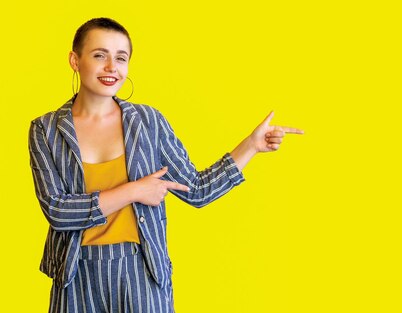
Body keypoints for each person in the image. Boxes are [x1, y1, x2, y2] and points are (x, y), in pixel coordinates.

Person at [29, 17, 303, 313]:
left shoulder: (148, 123)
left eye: (121, 58)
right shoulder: (45, 130)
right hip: (75, 274)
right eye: (99, 55)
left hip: (141, 272)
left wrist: (251, 145)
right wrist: (135, 191)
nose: (112, 67)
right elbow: (58, 212)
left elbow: (197, 190)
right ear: (75, 60)